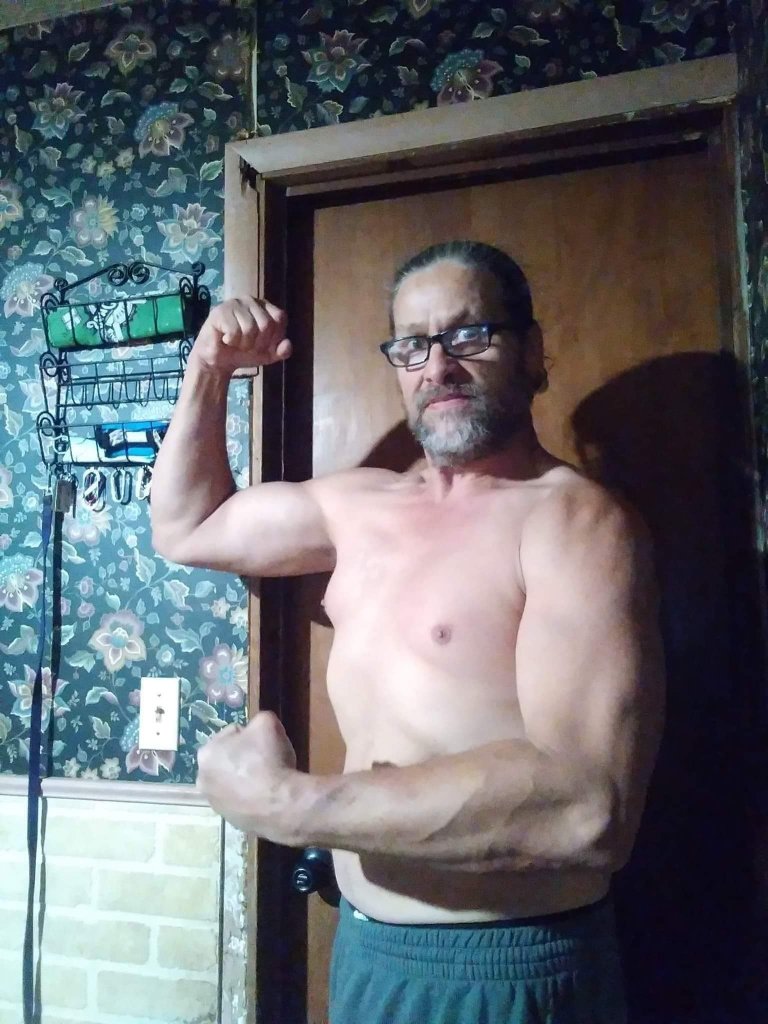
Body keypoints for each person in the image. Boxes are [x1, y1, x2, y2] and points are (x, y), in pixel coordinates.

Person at [151, 240, 665, 1023]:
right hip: (365, 953)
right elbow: (187, 527)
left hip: (503, 971)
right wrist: (208, 368)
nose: (439, 367)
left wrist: (290, 804)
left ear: (531, 352)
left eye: (469, 335)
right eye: (413, 345)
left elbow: (587, 809)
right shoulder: (360, 507)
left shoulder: (574, 521)